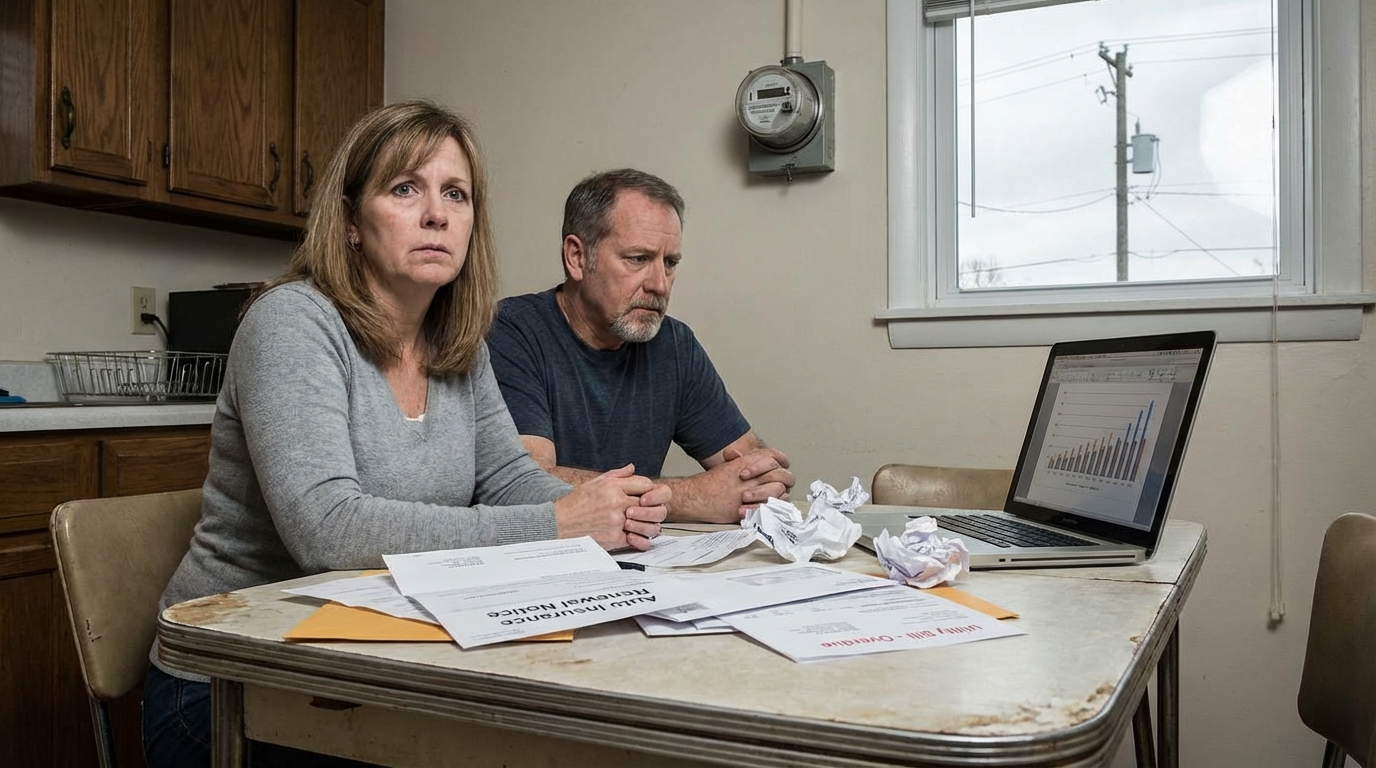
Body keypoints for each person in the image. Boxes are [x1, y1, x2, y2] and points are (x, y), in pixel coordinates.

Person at [143, 102, 669, 768]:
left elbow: (504, 475)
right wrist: (559, 524)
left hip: (371, 660)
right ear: (352, 220)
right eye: (404, 189)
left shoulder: (458, 343)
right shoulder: (292, 324)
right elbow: (326, 528)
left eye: (456, 194)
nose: (437, 214)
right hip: (230, 687)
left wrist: (610, 510)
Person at [487, 168, 794, 525]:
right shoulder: (512, 331)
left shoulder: (674, 343)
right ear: (576, 257)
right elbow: (526, 484)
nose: (660, 285)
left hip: (642, 563)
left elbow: (748, 468)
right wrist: (693, 497)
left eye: (670, 262)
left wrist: (764, 481)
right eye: (638, 259)